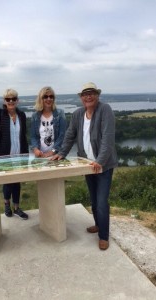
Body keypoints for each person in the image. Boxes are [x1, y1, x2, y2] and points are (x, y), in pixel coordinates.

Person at [51, 82, 118, 250]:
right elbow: (70, 135)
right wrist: (62, 153)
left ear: (97, 95)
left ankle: (103, 236)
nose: (88, 96)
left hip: (103, 166)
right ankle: (98, 224)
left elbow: (108, 139)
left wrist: (100, 161)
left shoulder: (105, 110)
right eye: (85, 94)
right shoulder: (78, 114)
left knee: (102, 201)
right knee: (94, 199)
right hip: (88, 164)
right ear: (81, 98)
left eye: (92, 93)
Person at [0, 88, 29, 220]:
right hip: (4, 154)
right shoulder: (0, 113)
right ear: (4, 101)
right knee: (8, 181)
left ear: (17, 100)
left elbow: (23, 136)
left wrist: (26, 154)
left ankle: (17, 207)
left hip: (19, 154)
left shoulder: (21, 115)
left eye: (13, 99)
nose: (11, 101)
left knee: (16, 181)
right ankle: (7, 204)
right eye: (8, 99)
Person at [30, 86, 66, 158]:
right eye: (45, 97)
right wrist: (35, 149)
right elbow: (33, 137)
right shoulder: (35, 116)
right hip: (41, 155)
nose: (48, 99)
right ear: (41, 99)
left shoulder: (60, 114)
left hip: (56, 155)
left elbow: (62, 136)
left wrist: (52, 151)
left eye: (51, 96)